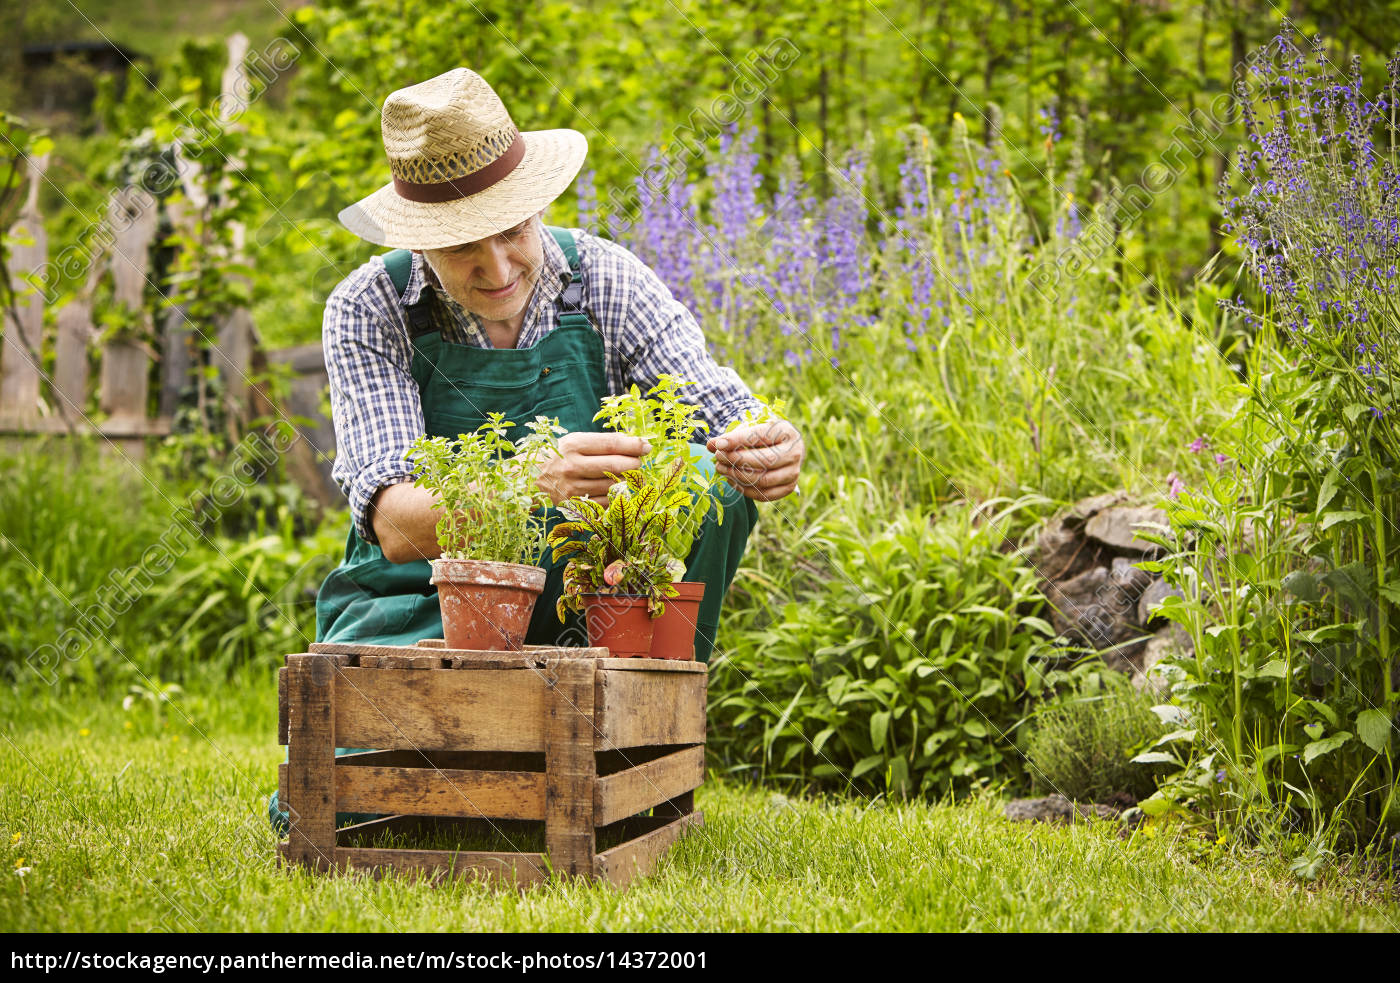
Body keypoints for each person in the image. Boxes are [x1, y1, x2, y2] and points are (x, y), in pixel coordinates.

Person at [314, 67, 804, 662]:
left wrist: (765, 446)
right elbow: (393, 526)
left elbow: (722, 411)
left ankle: (642, 715)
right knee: (407, 739)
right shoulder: (372, 307)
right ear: (419, 240)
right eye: (463, 245)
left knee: (714, 484)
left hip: (579, 599)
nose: (498, 271)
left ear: (537, 205)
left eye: (513, 232)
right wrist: (528, 482)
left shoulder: (604, 277)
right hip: (411, 601)